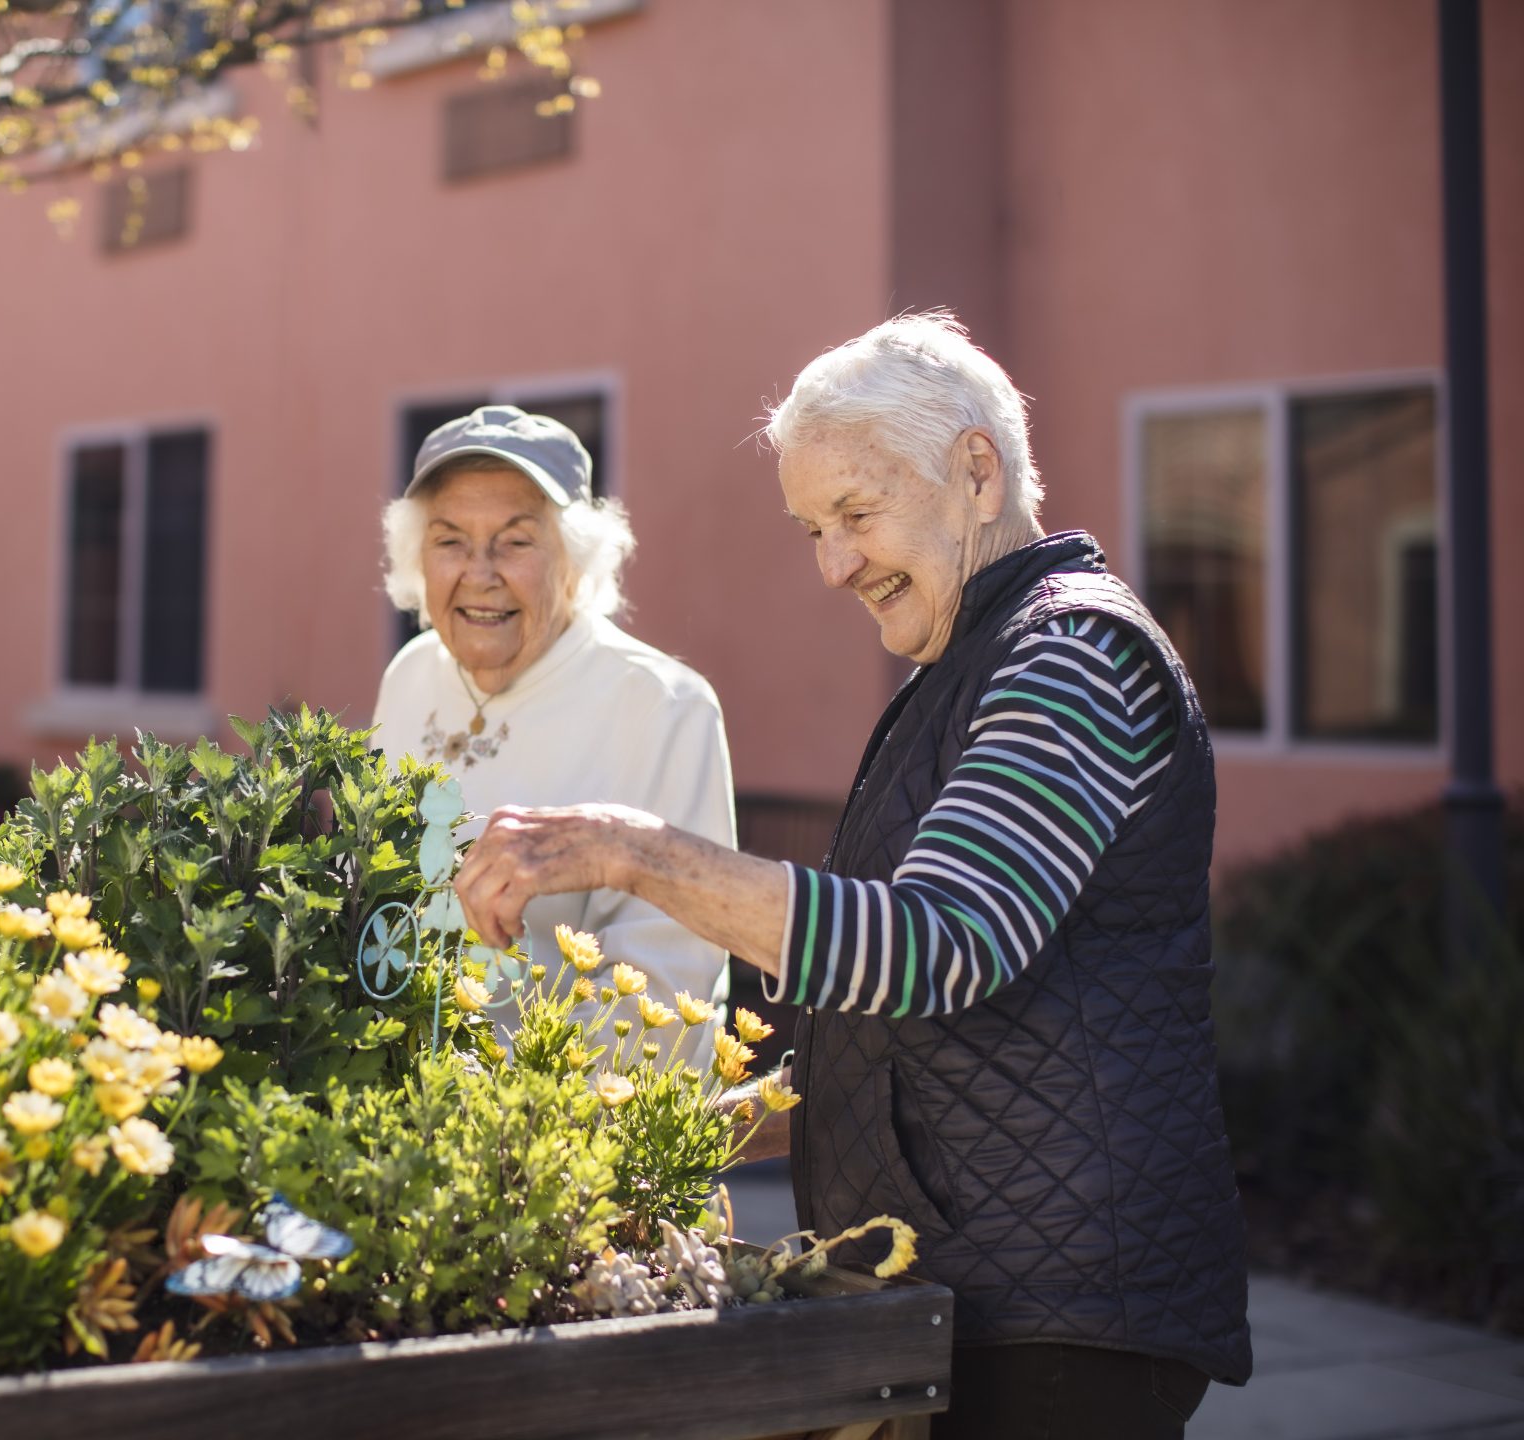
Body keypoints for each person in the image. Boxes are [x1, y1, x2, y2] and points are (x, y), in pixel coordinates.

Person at [451, 317, 1251, 1438]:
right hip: (985, 1303)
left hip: (1065, 1325)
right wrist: (683, 1141)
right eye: (812, 529)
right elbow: (914, 1034)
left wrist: (628, 851)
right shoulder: (965, 666)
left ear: (977, 472)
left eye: (857, 515)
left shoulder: (1071, 655)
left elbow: (932, 947)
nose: (834, 565)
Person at [371, 404, 737, 1059]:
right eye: (450, 539)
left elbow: (667, 993)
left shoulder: (663, 707)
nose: (479, 574)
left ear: (575, 559)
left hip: (562, 1137)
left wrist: (494, 1100)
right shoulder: (409, 676)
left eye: (515, 541)